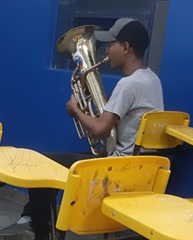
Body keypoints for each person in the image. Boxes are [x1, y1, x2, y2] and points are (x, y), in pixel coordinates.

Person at [0, 18, 164, 240]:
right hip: (139, 168)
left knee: (44, 163)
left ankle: (35, 227)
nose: (106, 49)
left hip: (116, 169)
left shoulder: (129, 85)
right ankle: (34, 223)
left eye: (112, 44)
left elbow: (100, 129)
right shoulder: (152, 80)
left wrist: (76, 110)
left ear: (125, 47)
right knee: (54, 163)